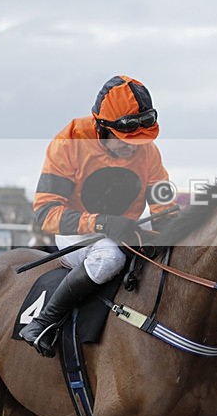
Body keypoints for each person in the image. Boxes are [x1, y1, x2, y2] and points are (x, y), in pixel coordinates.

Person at [19, 75, 175, 356]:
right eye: (126, 140)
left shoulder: (148, 151)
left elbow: (165, 209)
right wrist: (100, 222)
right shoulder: (69, 142)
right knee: (109, 257)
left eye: (139, 141)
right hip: (78, 231)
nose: (134, 147)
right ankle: (44, 322)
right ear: (102, 126)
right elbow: (46, 212)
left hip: (128, 228)